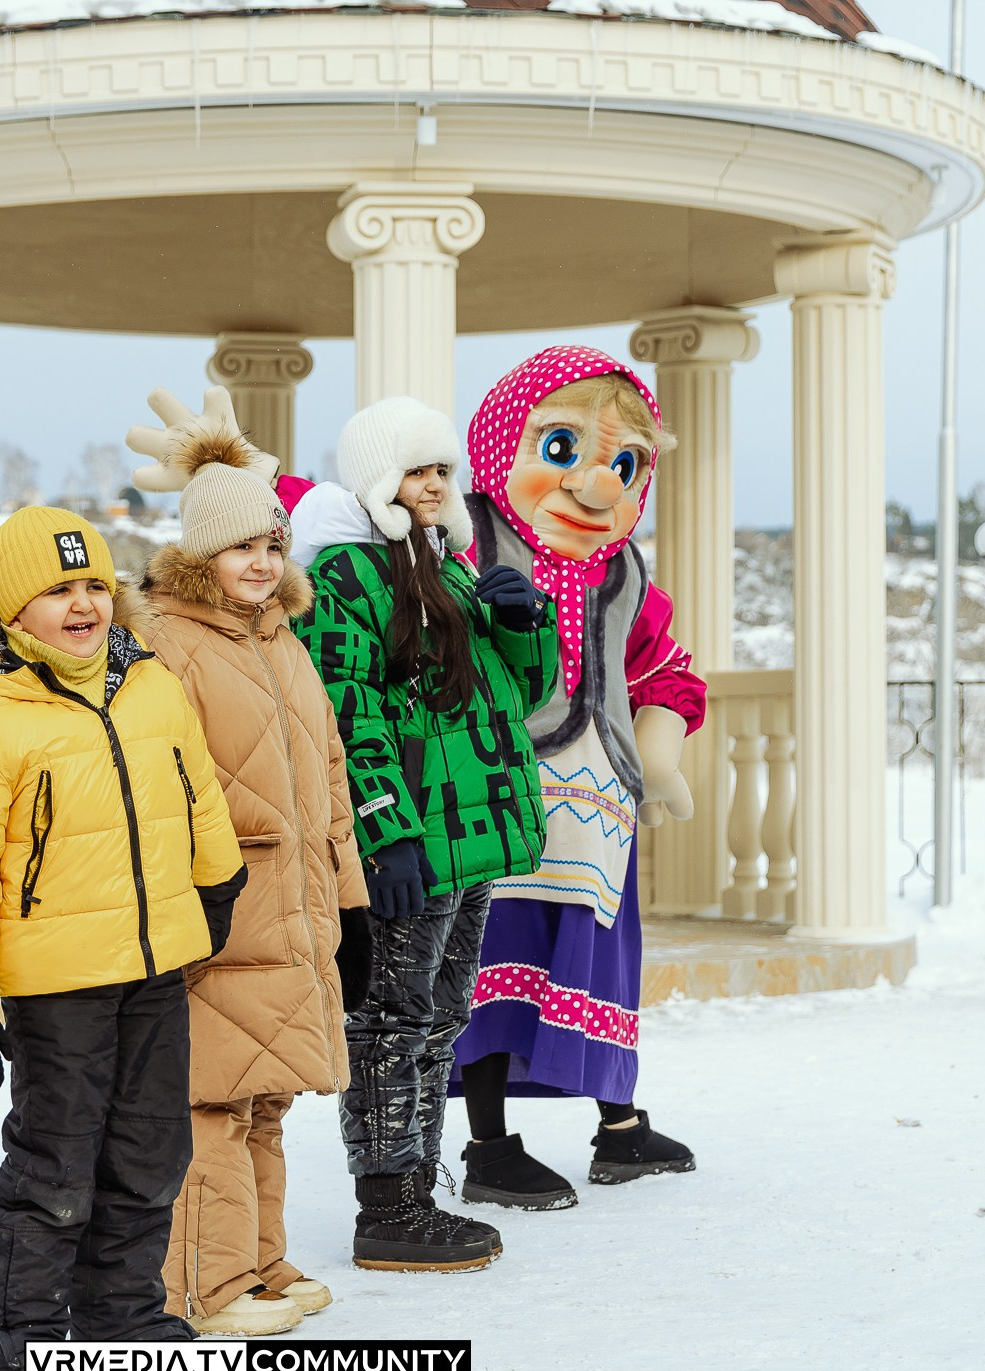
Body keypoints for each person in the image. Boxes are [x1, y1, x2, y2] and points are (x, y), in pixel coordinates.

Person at [0, 506, 245, 1371]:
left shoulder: (150, 685)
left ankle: (122, 1312)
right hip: (54, 980)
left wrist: (216, 883)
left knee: (151, 1146)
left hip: (153, 964)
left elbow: (197, 791)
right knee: (57, 1156)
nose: (82, 606)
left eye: (94, 585)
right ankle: (19, 1331)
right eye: (57, 590)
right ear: (9, 611)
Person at [289, 396, 555, 1273]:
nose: (436, 483)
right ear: (376, 479)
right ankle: (389, 1202)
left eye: (443, 468)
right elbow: (347, 708)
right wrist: (383, 827)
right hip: (414, 840)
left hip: (474, 835)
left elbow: (519, 697)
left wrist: (525, 625)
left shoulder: (451, 566)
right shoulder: (345, 576)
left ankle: (419, 1187)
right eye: (415, 469)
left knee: (440, 1018)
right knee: (388, 1021)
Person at [452, 348, 707, 1208]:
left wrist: (660, 750)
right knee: (493, 960)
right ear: (500, 445)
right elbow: (339, 522)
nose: (599, 486)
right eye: (561, 450)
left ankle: (620, 1126)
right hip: (493, 801)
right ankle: (488, 1144)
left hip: (597, 814)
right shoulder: (463, 546)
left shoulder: (625, 576)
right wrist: (243, 475)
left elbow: (667, 670)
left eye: (626, 465)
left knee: (598, 964)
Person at [138, 438, 364, 1335]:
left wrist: (347, 893)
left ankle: (260, 1261)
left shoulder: (285, 644)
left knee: (267, 1096)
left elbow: (330, 774)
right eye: (242, 548)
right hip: (225, 909)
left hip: (296, 911)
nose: (263, 563)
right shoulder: (170, 647)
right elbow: (161, 783)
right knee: (212, 1101)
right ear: (200, 556)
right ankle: (204, 1282)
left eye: (273, 545)